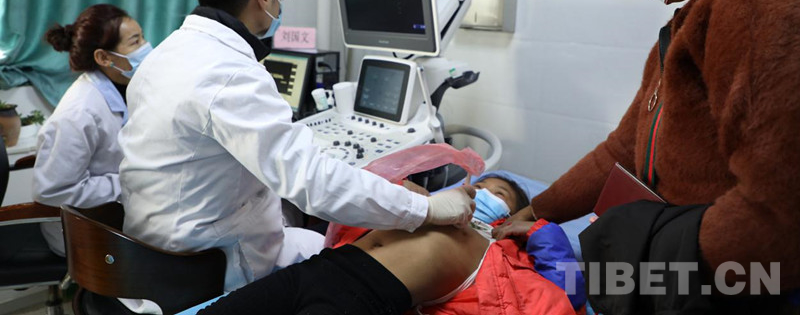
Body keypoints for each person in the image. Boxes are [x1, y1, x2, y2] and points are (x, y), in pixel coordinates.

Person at [501, 0, 800, 311]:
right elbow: (623, 148)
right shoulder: (701, 13)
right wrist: (536, 210)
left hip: (727, 282)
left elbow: (780, 211)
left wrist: (651, 259)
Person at [118, 0, 475, 297]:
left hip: (150, 254)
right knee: (365, 259)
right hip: (207, 269)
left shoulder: (164, 55)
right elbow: (313, 181)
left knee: (320, 234)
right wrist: (425, 208)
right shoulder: (232, 74)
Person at [197, 172, 585, 315]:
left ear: (511, 213)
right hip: (318, 270)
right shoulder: (430, 207)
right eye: (480, 185)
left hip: (363, 295)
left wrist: (540, 231)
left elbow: (570, 292)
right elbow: (347, 220)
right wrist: (403, 195)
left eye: (497, 193)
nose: (482, 192)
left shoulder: (509, 248)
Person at [32, 3, 151, 255]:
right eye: (135, 42)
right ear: (104, 58)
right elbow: (53, 191)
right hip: (80, 232)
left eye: (142, 37)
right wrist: (131, 181)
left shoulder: (125, 88)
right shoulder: (79, 113)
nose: (146, 47)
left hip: (117, 215)